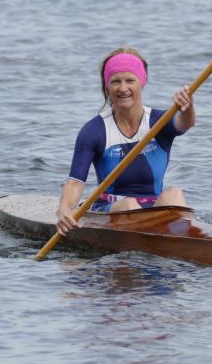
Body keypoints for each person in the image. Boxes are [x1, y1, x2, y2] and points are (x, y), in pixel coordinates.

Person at [55, 48, 195, 235]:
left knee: (174, 194)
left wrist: (187, 107)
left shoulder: (159, 121)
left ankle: (182, 243)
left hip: (153, 207)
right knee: (129, 204)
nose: (123, 88)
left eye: (130, 80)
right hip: (109, 209)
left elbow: (185, 123)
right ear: (107, 87)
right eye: (115, 81)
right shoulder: (94, 130)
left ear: (142, 82)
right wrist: (64, 210)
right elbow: (75, 182)